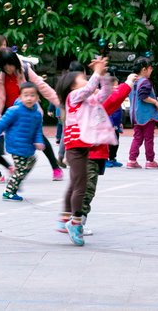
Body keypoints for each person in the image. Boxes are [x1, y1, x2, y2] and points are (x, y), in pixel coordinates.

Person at [0, 48, 64, 181]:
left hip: (27, 110)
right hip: (8, 111)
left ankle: (55, 168)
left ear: (15, 63)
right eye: (4, 65)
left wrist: (59, 104)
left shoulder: (26, 71)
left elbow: (42, 87)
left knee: (40, 138)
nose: (7, 68)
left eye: (10, 64)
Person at [55, 57, 111, 246]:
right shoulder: (74, 97)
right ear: (72, 86)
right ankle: (75, 222)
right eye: (82, 78)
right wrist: (97, 71)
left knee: (76, 183)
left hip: (83, 146)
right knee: (81, 185)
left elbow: (105, 92)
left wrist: (102, 75)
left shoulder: (88, 100)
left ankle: (65, 218)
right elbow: (88, 89)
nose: (86, 80)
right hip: (75, 148)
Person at [77, 73, 137, 236]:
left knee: (81, 189)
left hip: (85, 154)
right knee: (87, 189)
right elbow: (114, 99)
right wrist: (128, 83)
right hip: (89, 154)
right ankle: (78, 222)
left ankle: (73, 220)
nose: (95, 90)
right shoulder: (91, 106)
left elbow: (112, 97)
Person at [0, 82, 45, 201]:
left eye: (32, 95)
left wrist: (39, 141)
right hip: (16, 145)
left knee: (31, 161)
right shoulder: (14, 111)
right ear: (20, 97)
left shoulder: (37, 114)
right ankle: (9, 192)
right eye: (26, 95)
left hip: (28, 147)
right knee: (21, 168)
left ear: (37, 97)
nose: (29, 98)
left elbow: (38, 131)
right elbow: (0, 124)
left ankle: (16, 179)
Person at [127, 58, 158, 169]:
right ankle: (150, 160)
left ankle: (132, 160)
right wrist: (155, 102)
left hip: (135, 115)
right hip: (147, 116)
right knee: (149, 138)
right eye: (150, 68)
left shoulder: (132, 82)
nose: (151, 71)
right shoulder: (145, 82)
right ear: (144, 69)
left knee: (137, 138)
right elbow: (143, 96)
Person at [105, 76, 125, 168]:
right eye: (115, 86)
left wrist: (119, 122)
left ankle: (112, 158)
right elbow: (108, 112)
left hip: (116, 124)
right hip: (109, 125)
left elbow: (118, 111)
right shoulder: (108, 97)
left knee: (116, 142)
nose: (117, 87)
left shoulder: (116, 97)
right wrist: (111, 124)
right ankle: (105, 160)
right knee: (108, 143)